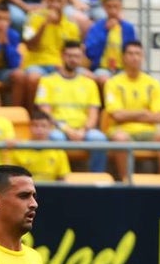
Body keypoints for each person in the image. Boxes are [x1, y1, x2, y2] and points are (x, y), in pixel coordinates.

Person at [102, 40, 160, 177]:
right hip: (121, 130)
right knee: (120, 138)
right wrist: (143, 113)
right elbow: (117, 115)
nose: (134, 57)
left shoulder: (153, 83)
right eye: (130, 54)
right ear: (123, 57)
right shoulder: (112, 83)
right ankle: (126, 180)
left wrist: (129, 115)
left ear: (143, 57)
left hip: (149, 132)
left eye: (138, 54)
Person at [34, 40, 108, 173]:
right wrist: (67, 129)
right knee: (56, 139)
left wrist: (83, 130)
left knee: (99, 139)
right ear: (62, 56)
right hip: (58, 128)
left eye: (77, 56)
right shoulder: (47, 81)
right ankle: (60, 177)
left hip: (83, 129)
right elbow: (45, 113)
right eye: (70, 56)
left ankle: (97, 177)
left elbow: (93, 114)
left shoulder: (90, 83)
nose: (73, 60)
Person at [84, 0, 135, 84]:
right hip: (102, 68)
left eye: (116, 7)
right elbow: (90, 52)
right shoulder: (97, 27)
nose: (113, 11)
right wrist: (105, 31)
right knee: (104, 80)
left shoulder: (128, 28)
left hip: (122, 69)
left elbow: (132, 50)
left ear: (121, 7)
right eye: (109, 7)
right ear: (104, 7)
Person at [9, 108, 70, 181]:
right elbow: (13, 178)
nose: (39, 129)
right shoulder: (19, 149)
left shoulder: (58, 151)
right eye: (35, 125)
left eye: (43, 126)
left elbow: (61, 179)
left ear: (50, 128)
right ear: (29, 127)